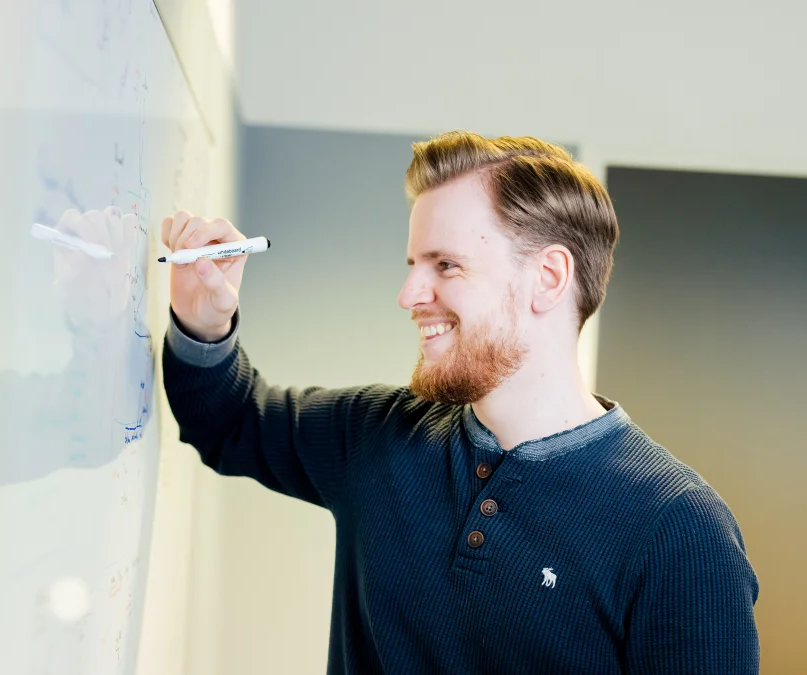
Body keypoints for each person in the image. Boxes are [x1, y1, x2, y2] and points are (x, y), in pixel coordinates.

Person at [159, 131, 760, 674]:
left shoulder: (680, 532)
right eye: (414, 265)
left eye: (445, 265)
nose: (409, 295)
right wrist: (203, 319)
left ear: (548, 279)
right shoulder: (377, 434)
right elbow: (229, 421)